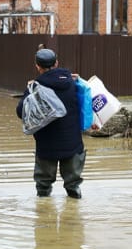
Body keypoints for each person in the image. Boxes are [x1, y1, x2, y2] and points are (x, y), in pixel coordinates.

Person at [16, 48, 86, 198]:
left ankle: (43, 215)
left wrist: (29, 91)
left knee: (43, 187)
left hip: (47, 146)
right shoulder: (73, 83)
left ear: (37, 66)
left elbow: (21, 111)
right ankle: (74, 216)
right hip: (72, 144)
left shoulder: (35, 87)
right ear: (57, 63)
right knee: (73, 185)